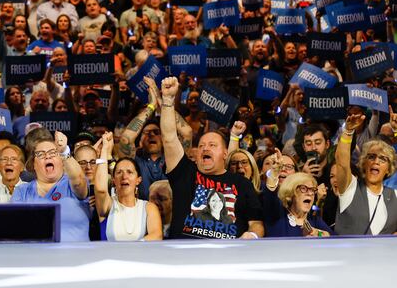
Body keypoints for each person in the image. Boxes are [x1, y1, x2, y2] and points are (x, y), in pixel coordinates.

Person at [160, 77, 264, 240]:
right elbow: (169, 137)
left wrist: (252, 235)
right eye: (201, 146)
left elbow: (256, 222)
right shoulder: (185, 173)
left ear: (225, 153)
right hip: (184, 258)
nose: (205, 148)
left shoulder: (242, 184)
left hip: (228, 258)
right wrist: (167, 99)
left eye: (212, 145)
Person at [11, 131, 90, 242]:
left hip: (74, 256)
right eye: (41, 154)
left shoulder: (70, 185)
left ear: (62, 161)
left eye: (53, 153)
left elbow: (78, 180)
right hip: (35, 255)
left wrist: (64, 151)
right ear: (33, 164)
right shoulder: (22, 191)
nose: (47, 157)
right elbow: (16, 225)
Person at [334, 115, 397, 235]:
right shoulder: (350, 188)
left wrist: (396, 132)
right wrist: (348, 131)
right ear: (363, 163)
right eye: (371, 157)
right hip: (347, 254)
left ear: (388, 169)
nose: (376, 161)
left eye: (383, 159)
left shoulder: (395, 196)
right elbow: (342, 163)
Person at [94, 132, 162, 241]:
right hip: (109, 258)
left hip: (138, 257)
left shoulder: (148, 208)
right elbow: (101, 190)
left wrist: (131, 249)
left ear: (138, 180)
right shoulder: (108, 205)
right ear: (114, 180)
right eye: (119, 172)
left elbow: (157, 235)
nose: (124, 176)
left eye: (129, 172)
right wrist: (105, 150)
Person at [262, 173, 331, 238]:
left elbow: (335, 238)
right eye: (303, 188)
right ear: (291, 192)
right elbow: (269, 194)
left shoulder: (313, 219)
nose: (310, 193)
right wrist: (274, 173)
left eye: (312, 190)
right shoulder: (278, 214)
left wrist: (318, 234)